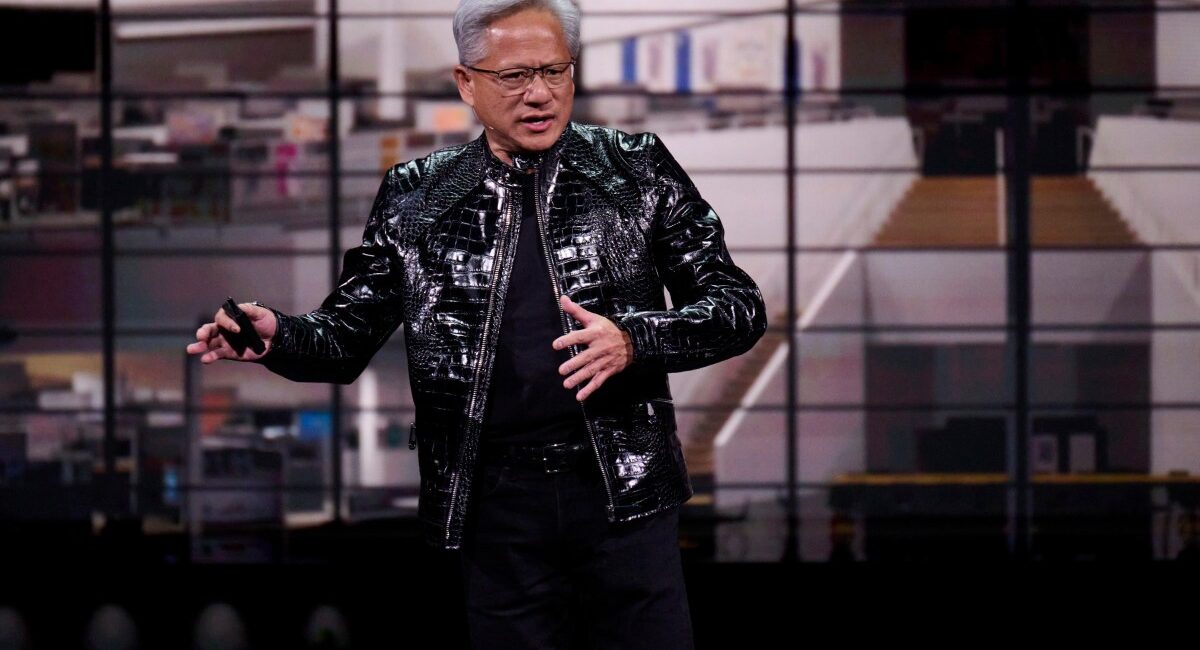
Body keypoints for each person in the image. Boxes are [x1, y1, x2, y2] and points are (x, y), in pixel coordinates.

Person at [186, 0, 766, 647]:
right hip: (497, 506)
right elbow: (345, 337)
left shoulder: (636, 168)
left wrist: (635, 339)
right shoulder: (417, 196)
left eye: (554, 71)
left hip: (626, 493)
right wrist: (279, 335)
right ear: (466, 83)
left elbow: (738, 307)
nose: (539, 93)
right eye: (514, 76)